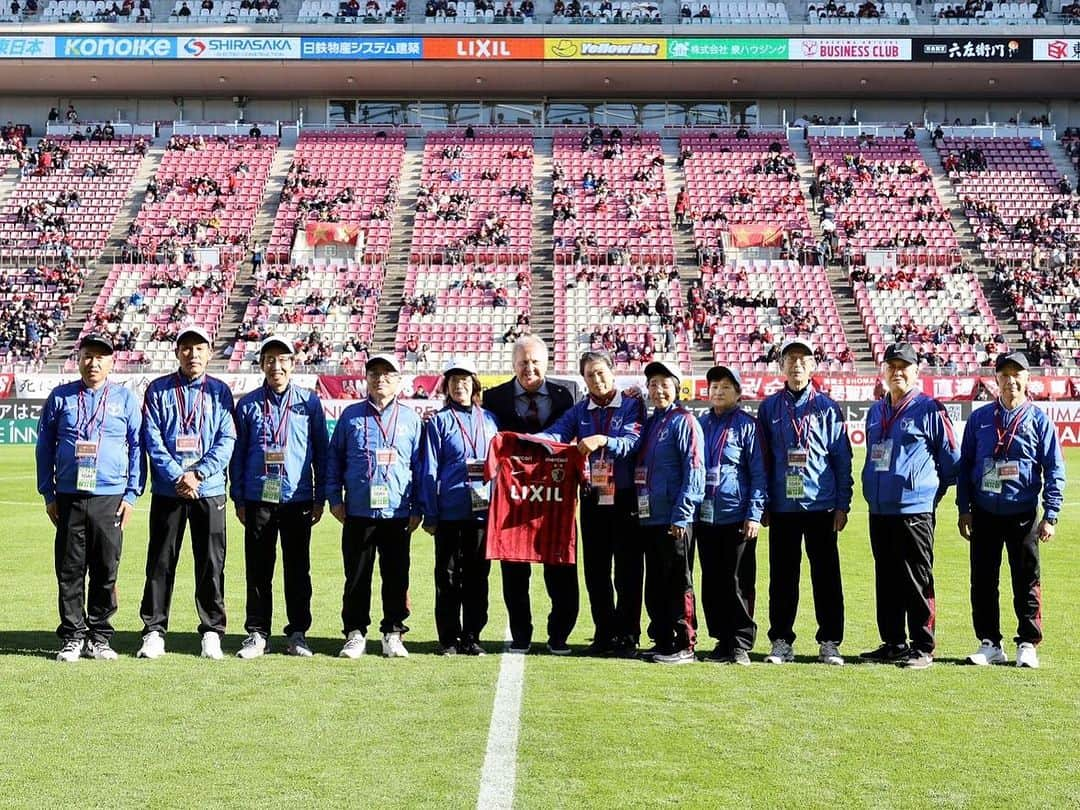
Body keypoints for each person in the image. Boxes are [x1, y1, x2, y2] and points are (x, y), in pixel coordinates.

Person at [36, 334, 141, 662]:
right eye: (87, 356)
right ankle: (72, 636)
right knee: (69, 569)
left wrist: (133, 494)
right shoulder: (60, 397)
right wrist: (48, 492)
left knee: (106, 568)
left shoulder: (124, 398)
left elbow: (138, 447)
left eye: (100, 357)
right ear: (77, 358)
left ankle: (99, 636)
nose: (93, 363)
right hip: (69, 496)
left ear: (112, 362)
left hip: (110, 497)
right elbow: (44, 446)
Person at [957, 351, 1065, 669]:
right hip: (985, 513)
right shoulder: (979, 419)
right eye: (1004, 374)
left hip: (1024, 514)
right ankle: (990, 643)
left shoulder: (1039, 421)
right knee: (983, 581)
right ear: (996, 380)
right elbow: (965, 467)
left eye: (1017, 374)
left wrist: (1052, 514)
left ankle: (1028, 643)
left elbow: (1054, 469)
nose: (1011, 380)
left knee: (1026, 581)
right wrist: (964, 508)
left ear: (1027, 379)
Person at [137, 326, 236, 660]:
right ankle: (153, 630)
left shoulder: (221, 392)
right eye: (186, 348)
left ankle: (211, 631)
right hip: (170, 490)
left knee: (211, 563)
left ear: (210, 352)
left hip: (208, 490)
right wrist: (179, 475)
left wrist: (199, 473)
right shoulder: (158, 389)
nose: (192, 354)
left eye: (199, 348)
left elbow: (226, 440)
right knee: (161, 562)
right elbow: (151, 439)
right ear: (176, 352)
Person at [537, 350, 645, 656]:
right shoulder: (580, 409)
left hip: (625, 498)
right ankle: (604, 632)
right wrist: (526, 442)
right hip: (593, 497)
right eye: (589, 375)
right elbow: (556, 433)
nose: (596, 380)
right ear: (583, 380)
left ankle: (627, 634)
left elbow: (632, 442)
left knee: (627, 571)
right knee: (596, 571)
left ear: (612, 372)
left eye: (600, 372)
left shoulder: (632, 403)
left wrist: (603, 440)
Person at [861, 343, 960, 670]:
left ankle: (922, 646)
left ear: (917, 371)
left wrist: (929, 494)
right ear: (884, 371)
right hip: (879, 510)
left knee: (917, 578)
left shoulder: (930, 409)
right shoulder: (876, 411)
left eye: (904, 366)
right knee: (886, 578)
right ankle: (893, 642)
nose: (897, 372)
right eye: (891, 366)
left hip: (914, 511)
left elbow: (951, 463)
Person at [230, 335, 328, 659]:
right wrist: (240, 499)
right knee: (258, 569)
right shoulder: (247, 404)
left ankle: (298, 633)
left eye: (283, 359)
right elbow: (238, 455)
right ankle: (258, 633)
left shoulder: (309, 403)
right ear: (262, 365)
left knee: (298, 569)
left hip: (298, 499)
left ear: (293, 363)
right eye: (270, 359)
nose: (277, 366)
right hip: (259, 498)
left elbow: (321, 453)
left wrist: (320, 497)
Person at [756, 338, 852, 666]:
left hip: (821, 507)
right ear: (781, 366)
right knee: (782, 577)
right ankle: (781, 640)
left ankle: (829, 641)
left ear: (813, 366)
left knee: (826, 577)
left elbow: (842, 459)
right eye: (790, 359)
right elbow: (762, 460)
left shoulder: (827, 407)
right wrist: (764, 503)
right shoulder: (769, 408)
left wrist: (842, 504)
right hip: (782, 508)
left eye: (803, 359)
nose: (796, 364)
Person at [482, 335, 576, 654]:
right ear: (513, 364)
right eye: (522, 362)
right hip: (514, 501)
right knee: (514, 571)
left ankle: (559, 634)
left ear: (547, 362)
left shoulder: (567, 395)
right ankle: (520, 634)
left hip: (555, 502)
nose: (529, 368)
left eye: (535, 361)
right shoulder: (494, 398)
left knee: (561, 568)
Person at [327, 354, 423, 659]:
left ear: (398, 380)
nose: (380, 378)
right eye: (375, 373)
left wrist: (418, 506)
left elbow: (421, 468)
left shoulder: (411, 419)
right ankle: (355, 633)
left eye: (387, 373)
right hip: (358, 511)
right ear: (366, 378)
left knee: (396, 576)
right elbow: (334, 461)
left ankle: (393, 633)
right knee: (356, 576)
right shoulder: (351, 416)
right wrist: (334, 499)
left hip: (397, 511)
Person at [419, 356, 499, 656]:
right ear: (447, 386)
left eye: (465, 380)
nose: (459, 385)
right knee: (448, 577)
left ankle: (473, 635)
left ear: (474, 383)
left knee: (479, 577)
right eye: (454, 381)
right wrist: (431, 512)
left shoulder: (490, 420)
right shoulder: (439, 421)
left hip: (483, 513)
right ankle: (449, 638)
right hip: (450, 511)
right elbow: (429, 469)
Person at [696, 365, 766, 666]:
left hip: (736, 516)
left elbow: (759, 474)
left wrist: (754, 514)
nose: (718, 391)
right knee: (711, 581)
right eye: (714, 386)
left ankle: (740, 642)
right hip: (705, 516)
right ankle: (721, 640)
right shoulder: (699, 424)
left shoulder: (748, 426)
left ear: (738, 392)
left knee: (737, 581)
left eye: (725, 386)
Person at [636, 360, 705, 664]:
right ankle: (662, 638)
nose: (658, 390)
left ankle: (684, 643)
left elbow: (694, 471)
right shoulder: (652, 423)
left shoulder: (684, 421)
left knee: (679, 581)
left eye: (665, 384)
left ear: (677, 388)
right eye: (653, 384)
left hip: (675, 519)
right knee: (656, 582)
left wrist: (682, 514)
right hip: (650, 517)